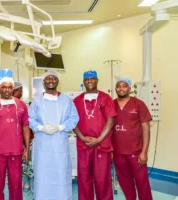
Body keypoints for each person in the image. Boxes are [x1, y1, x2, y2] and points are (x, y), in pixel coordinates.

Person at [28, 70, 79, 200]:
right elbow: (30, 118)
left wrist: (61, 127)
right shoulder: (37, 101)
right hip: (42, 146)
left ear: (58, 81)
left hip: (59, 145)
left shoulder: (66, 100)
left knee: (61, 175)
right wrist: (41, 128)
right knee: (43, 175)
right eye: (48, 78)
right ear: (43, 82)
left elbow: (74, 117)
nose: (51, 80)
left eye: (54, 78)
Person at [73, 70, 116, 200]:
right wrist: (82, 137)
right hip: (84, 145)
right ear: (83, 82)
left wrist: (99, 139)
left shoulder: (106, 98)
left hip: (102, 146)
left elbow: (111, 121)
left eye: (92, 78)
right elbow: (72, 121)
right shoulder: (77, 100)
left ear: (97, 80)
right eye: (87, 79)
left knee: (102, 179)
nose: (89, 81)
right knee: (84, 179)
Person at [0, 77, 30, 200]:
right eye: (4, 87)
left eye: (9, 87)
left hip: (16, 151)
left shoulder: (21, 105)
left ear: (13, 89)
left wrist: (27, 149)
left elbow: (25, 127)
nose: (7, 90)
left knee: (16, 184)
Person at [112, 77, 153, 200]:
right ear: (115, 89)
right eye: (118, 86)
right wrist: (111, 151)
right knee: (125, 183)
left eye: (124, 86)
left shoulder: (138, 104)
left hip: (136, 152)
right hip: (118, 153)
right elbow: (108, 129)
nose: (121, 88)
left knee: (142, 183)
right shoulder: (112, 104)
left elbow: (146, 128)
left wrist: (144, 152)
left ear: (129, 88)